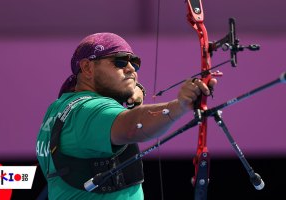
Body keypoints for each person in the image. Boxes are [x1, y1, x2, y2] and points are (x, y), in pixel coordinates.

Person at [36, 32, 216, 200]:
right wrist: (179, 106)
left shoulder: (59, 107)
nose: (131, 69)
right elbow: (131, 127)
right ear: (87, 67)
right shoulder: (88, 110)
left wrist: (132, 92)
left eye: (134, 62)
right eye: (119, 62)